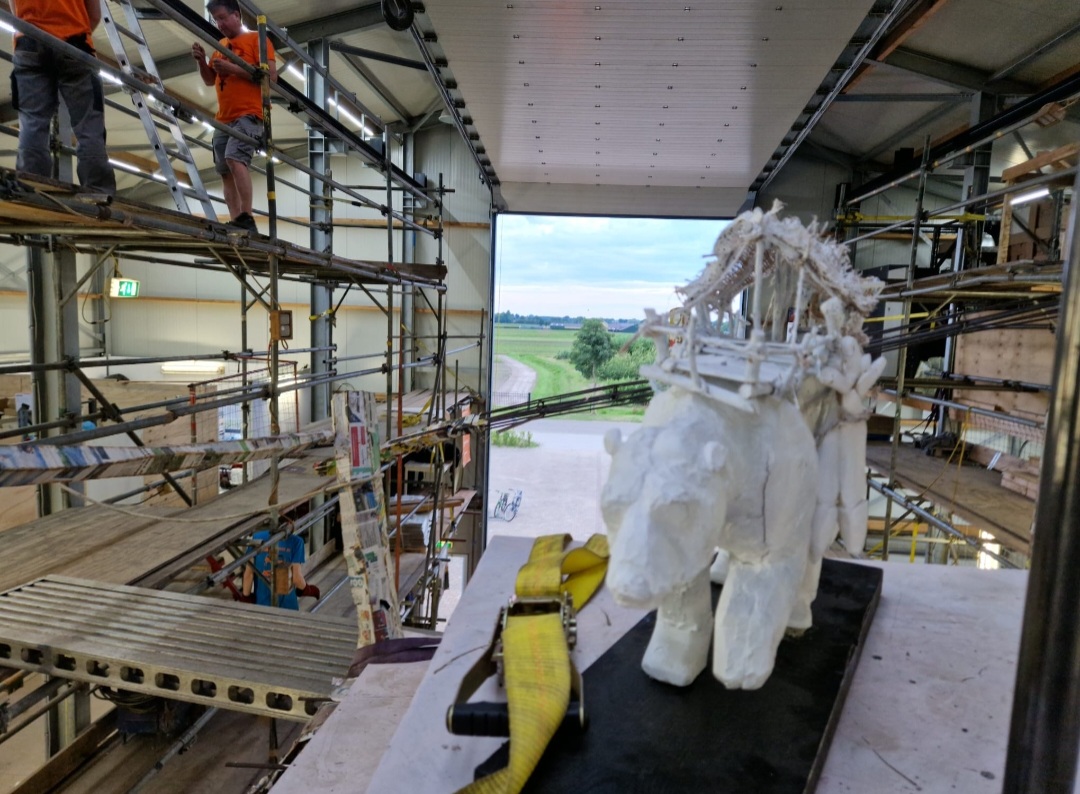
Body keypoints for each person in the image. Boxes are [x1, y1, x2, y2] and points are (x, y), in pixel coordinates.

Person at [10, 0, 116, 194]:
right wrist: (74, 34)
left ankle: (31, 185)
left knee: (33, 122)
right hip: (75, 42)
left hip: (29, 42)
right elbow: (94, 14)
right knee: (88, 126)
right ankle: (97, 191)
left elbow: (15, 9)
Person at [191, 0, 276, 233]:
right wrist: (201, 61)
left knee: (234, 158)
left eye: (222, 18)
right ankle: (236, 219)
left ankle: (247, 216)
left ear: (236, 15)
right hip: (224, 118)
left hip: (250, 113)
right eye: (216, 20)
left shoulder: (258, 40)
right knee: (224, 170)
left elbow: (270, 78)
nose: (220, 24)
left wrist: (234, 69)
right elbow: (210, 80)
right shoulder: (220, 45)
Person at [242, 529, 320, 609]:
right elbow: (296, 578)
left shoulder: (257, 538)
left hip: (262, 604)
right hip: (287, 605)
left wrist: (246, 597)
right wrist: (308, 590)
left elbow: (249, 574)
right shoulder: (297, 542)